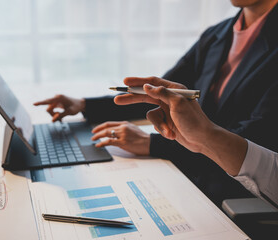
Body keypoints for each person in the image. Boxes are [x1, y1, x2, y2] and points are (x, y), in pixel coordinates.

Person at [34, 0, 278, 206]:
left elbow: (255, 139)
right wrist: (85, 104)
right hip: (189, 172)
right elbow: (161, 93)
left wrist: (151, 143)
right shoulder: (218, 33)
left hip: (227, 189)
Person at [114, 77, 278, 207]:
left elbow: (258, 135)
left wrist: (153, 143)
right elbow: (157, 93)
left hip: (225, 193)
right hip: (193, 183)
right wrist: (90, 106)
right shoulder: (218, 34)